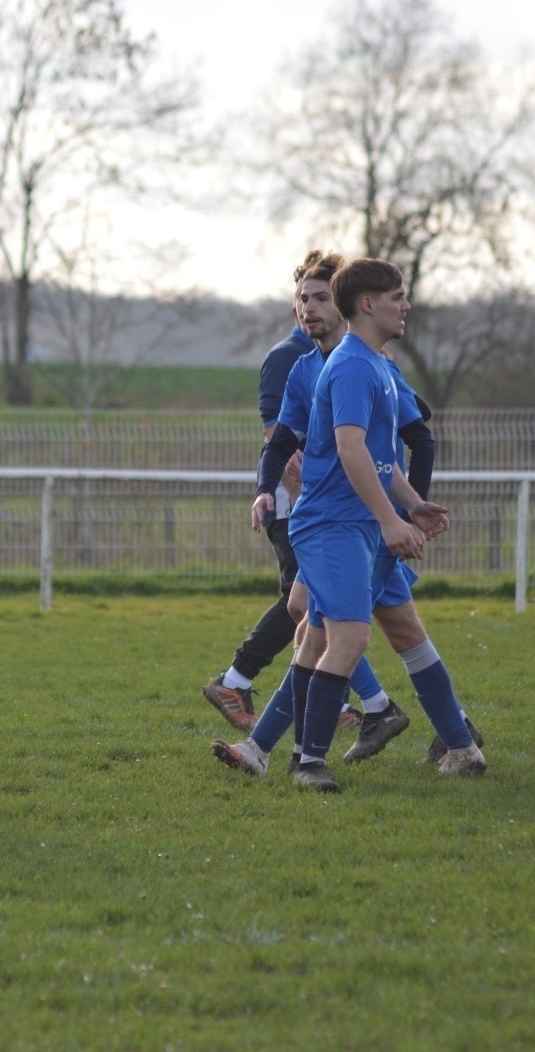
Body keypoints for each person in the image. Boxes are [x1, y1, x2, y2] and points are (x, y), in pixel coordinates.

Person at [272, 258, 483, 792]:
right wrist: (391, 520)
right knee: (343, 638)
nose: (406, 305)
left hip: (365, 525)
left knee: (396, 632)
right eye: (397, 296)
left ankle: (460, 746)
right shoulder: (351, 367)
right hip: (334, 525)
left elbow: (382, 457)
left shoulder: (378, 366)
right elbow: (349, 449)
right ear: (368, 304)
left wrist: (412, 505)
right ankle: (306, 761)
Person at [204, 251, 385, 731]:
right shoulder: (290, 358)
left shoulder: (351, 358)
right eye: (305, 298)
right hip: (299, 505)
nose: (310, 307)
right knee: (307, 601)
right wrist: (295, 493)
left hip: (332, 505)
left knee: (316, 603)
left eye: (322, 297)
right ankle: (353, 704)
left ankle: (335, 701)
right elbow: (279, 438)